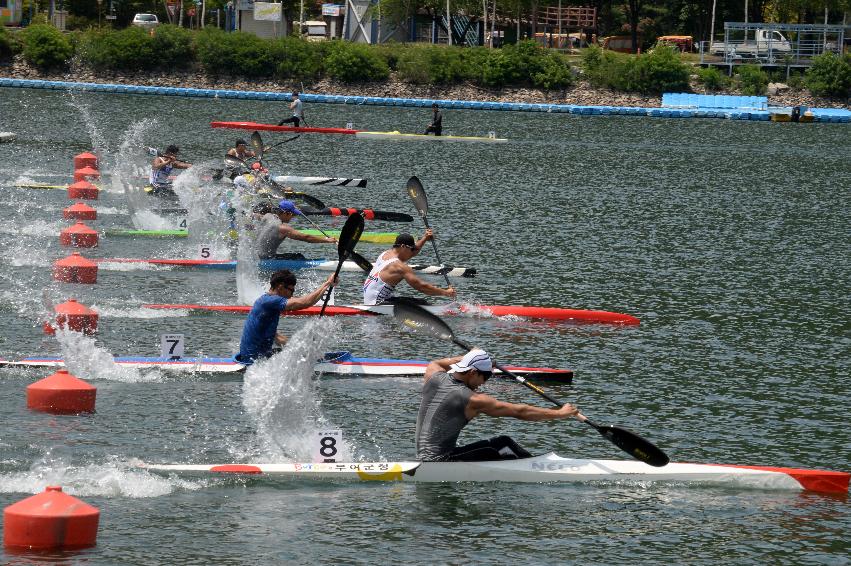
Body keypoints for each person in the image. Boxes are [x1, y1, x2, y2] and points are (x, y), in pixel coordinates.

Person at [416, 349, 580, 461]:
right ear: (473, 372)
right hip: (440, 461)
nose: (483, 384)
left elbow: (437, 362)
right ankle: (541, 470)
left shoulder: (433, 375)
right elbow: (520, 411)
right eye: (485, 378)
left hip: (424, 457)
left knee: (500, 443)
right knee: (503, 445)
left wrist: (473, 356)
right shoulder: (473, 399)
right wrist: (560, 413)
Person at [235, 269, 336, 364]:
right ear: (280, 286)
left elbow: (277, 338)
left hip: (253, 357)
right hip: (254, 361)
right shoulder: (271, 301)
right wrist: (327, 283)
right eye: (291, 290)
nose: (292, 294)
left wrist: (301, 349)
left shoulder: (266, 303)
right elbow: (305, 302)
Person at [362, 232, 455, 305]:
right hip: (377, 304)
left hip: (370, 299)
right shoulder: (400, 267)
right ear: (403, 246)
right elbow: (422, 287)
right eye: (411, 249)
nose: (412, 252)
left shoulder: (385, 255)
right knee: (421, 304)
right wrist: (446, 292)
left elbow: (412, 252)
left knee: (414, 301)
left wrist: (425, 238)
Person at [254, 199, 335, 260]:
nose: (293, 217)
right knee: (299, 257)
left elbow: (256, 215)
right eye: (292, 214)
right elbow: (306, 238)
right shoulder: (283, 228)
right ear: (286, 213)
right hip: (267, 259)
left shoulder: (268, 216)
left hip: (256, 256)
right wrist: (327, 240)